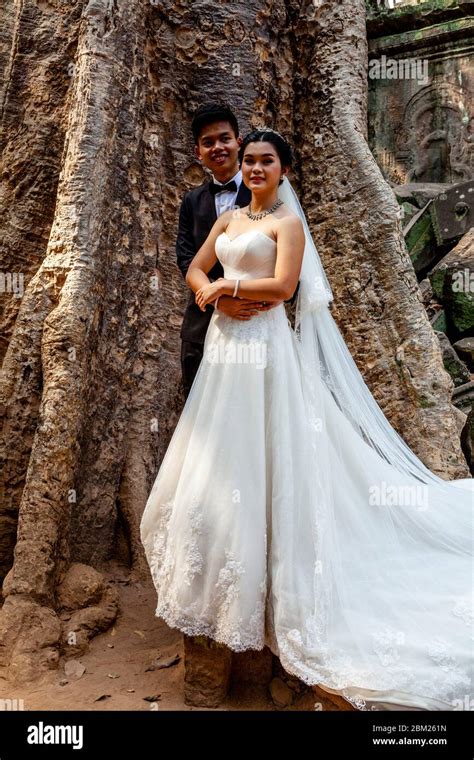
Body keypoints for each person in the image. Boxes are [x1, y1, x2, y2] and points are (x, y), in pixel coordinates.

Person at [141, 127, 474, 711]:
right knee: (221, 449)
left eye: (266, 161)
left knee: (265, 444)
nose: (255, 168)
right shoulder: (229, 220)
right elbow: (194, 268)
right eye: (249, 161)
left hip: (264, 348)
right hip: (224, 346)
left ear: (284, 171)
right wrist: (211, 293)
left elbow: (286, 285)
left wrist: (233, 285)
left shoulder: (285, 224)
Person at [176, 102, 298, 398]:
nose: (217, 147)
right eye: (208, 143)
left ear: (238, 143)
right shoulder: (193, 202)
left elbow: (287, 283)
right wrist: (218, 300)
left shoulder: (272, 201)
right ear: (198, 152)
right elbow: (187, 261)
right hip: (204, 323)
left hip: (255, 322)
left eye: (224, 139)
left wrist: (231, 290)